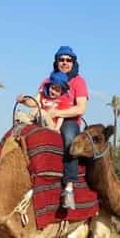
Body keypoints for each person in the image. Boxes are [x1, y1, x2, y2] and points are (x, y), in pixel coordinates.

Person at [40, 46, 89, 209]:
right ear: (56, 61)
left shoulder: (78, 81)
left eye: (68, 60)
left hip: (69, 121)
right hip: (46, 118)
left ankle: (69, 187)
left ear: (73, 62)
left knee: (69, 140)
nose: (65, 63)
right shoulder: (48, 80)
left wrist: (57, 112)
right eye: (62, 59)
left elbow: (80, 108)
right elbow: (38, 98)